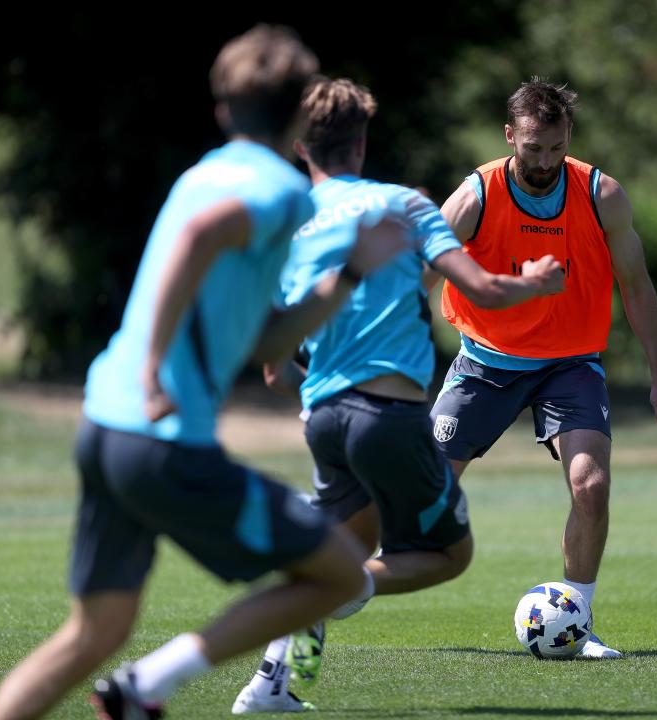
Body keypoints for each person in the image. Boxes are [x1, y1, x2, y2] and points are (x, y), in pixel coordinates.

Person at [0, 25, 408, 720]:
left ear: (221, 110)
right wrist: (155, 370)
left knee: (95, 631)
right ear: (302, 114)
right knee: (334, 573)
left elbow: (265, 338)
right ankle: (147, 686)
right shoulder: (278, 191)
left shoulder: (200, 173)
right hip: (164, 441)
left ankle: (129, 683)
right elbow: (197, 237)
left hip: (105, 429)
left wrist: (351, 274)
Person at [230, 77, 565, 714]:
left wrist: (326, 401)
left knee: (342, 545)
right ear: (361, 143)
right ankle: (339, 588)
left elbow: (274, 369)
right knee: (445, 555)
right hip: (387, 415)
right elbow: (485, 291)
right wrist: (539, 283)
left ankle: (277, 684)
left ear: (302, 147)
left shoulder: (285, 227)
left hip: (323, 418)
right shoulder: (403, 205)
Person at [430, 77, 657, 660]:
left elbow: (636, 286)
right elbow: (421, 270)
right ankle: (353, 579)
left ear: (569, 137)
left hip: (570, 364)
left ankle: (578, 617)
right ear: (510, 136)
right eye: (532, 147)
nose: (544, 161)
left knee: (591, 486)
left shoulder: (600, 194)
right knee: (425, 490)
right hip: (485, 362)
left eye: (555, 147)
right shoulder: (476, 196)